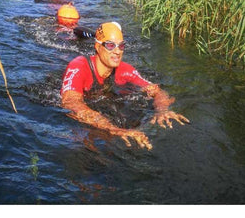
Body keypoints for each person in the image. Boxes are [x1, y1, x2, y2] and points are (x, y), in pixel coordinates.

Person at [60, 22, 188, 149]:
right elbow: (71, 103)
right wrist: (113, 129)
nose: (117, 51)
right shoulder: (79, 66)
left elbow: (156, 90)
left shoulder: (125, 69)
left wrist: (163, 109)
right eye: (110, 45)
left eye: (121, 46)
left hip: (103, 100)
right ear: (98, 47)